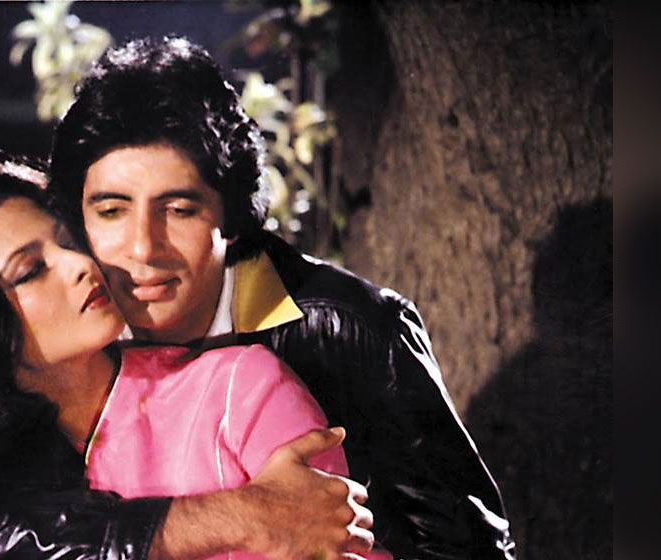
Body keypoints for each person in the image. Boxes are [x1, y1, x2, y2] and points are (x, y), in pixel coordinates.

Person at [42, 37, 514, 560]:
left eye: (178, 210)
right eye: (112, 211)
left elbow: (469, 548)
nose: (143, 248)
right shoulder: (69, 342)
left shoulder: (350, 329)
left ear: (229, 215)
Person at [0, 162, 377, 560]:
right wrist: (239, 516)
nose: (80, 265)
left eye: (67, 242)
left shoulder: (239, 390)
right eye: (31, 271)